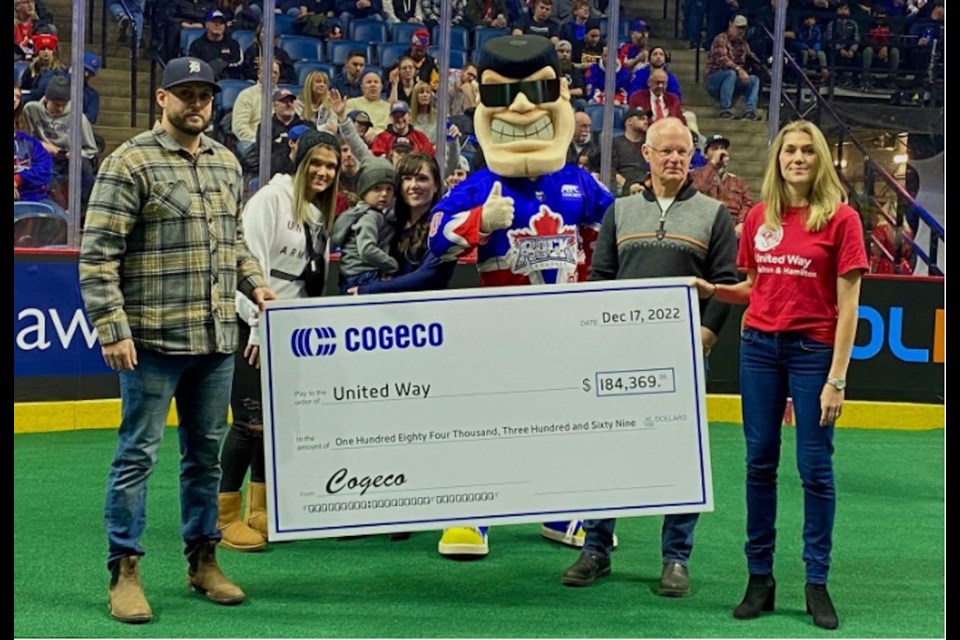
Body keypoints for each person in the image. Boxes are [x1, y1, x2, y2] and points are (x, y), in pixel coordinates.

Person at [78, 57, 277, 624]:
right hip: (151, 342)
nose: (196, 104)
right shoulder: (129, 162)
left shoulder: (226, 163)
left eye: (205, 96)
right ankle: (125, 569)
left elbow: (233, 240)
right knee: (136, 457)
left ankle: (203, 560)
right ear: (162, 98)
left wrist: (256, 282)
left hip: (215, 340)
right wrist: (112, 328)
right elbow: (98, 256)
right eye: (185, 94)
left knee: (204, 462)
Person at [427, 34, 614, 558]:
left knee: (566, 421)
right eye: (503, 94)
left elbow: (622, 236)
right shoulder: (479, 185)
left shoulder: (580, 183)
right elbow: (435, 238)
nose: (523, 106)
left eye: (538, 89)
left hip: (567, 330)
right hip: (500, 330)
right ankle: (474, 514)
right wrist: (476, 220)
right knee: (490, 421)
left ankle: (559, 510)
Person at [692, 120, 868, 631]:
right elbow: (753, 287)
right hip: (758, 349)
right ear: (777, 159)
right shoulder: (758, 220)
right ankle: (759, 579)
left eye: (806, 151)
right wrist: (711, 289)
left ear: (819, 160)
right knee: (758, 464)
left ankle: (816, 582)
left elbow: (849, 305)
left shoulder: (842, 220)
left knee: (815, 469)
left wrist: (837, 377)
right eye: (788, 150)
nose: (796, 158)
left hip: (814, 353)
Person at [561, 117, 739, 595]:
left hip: (681, 357)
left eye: (684, 152)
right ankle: (595, 548)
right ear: (648, 154)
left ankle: (676, 558)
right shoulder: (619, 211)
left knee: (681, 456)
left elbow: (726, 284)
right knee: (607, 449)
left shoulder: (713, 215)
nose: (676, 159)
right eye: (667, 151)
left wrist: (706, 331)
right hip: (619, 355)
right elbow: (601, 278)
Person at [219, 129, 342, 551]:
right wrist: (256, 325)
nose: (324, 172)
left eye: (331, 166)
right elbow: (248, 263)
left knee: (274, 425)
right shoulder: (270, 200)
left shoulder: (317, 212)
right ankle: (224, 516)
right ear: (300, 159)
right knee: (249, 423)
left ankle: (260, 508)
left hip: (293, 332)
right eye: (318, 163)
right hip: (254, 326)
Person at [331, 157, 399, 293]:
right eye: (377, 188)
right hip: (365, 276)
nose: (384, 194)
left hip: (350, 276)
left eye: (389, 189)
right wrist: (392, 265)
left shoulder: (359, 213)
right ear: (364, 191)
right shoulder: (370, 217)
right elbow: (367, 249)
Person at [692, 133, 754, 236]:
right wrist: (712, 164)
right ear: (705, 155)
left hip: (731, 232)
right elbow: (695, 192)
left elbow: (748, 203)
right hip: (705, 229)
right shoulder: (696, 175)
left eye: (722, 148)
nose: (720, 152)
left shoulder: (737, 181)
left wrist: (741, 222)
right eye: (715, 149)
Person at [704, 15, 763, 120]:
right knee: (730, 73)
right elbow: (723, 60)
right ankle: (725, 110)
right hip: (714, 80)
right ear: (731, 25)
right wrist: (739, 70)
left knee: (754, 79)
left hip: (733, 82)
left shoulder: (743, 44)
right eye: (738, 27)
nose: (741, 31)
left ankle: (750, 111)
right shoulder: (720, 39)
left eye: (743, 28)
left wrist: (763, 63)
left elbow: (753, 57)